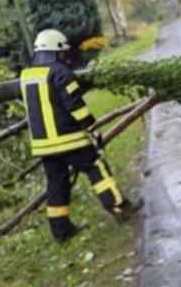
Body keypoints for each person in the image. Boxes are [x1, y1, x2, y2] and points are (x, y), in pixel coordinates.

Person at [20, 29, 143, 242]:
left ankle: (61, 232)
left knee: (57, 184)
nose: (65, 56)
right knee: (96, 167)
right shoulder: (60, 72)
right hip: (69, 139)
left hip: (43, 145)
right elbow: (75, 105)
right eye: (63, 53)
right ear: (56, 52)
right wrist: (92, 128)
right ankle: (120, 207)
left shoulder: (26, 75)